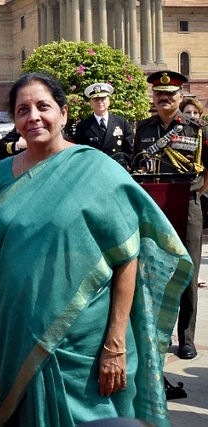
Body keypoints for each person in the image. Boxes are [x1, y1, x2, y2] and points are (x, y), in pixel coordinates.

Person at [0, 72, 192, 426]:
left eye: (43, 106)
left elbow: (127, 259)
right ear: (15, 120)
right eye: (22, 110)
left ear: (64, 114)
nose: (33, 116)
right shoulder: (3, 175)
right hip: (20, 331)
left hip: (86, 339)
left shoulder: (98, 170)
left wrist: (115, 343)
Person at [134, 70, 208, 360]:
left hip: (187, 204)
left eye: (170, 94)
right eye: (159, 94)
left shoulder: (197, 128)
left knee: (187, 272)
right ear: (153, 97)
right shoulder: (143, 129)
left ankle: (186, 338)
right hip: (153, 206)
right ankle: (158, 334)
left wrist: (200, 193)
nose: (164, 98)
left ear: (181, 96)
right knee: (154, 272)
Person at [180, 98, 208, 289]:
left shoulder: (201, 131)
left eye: (195, 113)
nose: (191, 116)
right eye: (187, 113)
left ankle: (193, 276)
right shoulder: (179, 133)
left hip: (196, 194)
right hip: (175, 194)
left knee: (193, 242)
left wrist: (201, 191)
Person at [74, 82, 134, 166]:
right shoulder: (83, 126)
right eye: (96, 99)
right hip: (94, 169)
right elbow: (80, 153)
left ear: (109, 101)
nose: (100, 102)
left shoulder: (121, 122)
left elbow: (129, 150)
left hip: (117, 168)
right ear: (91, 103)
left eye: (103, 98)